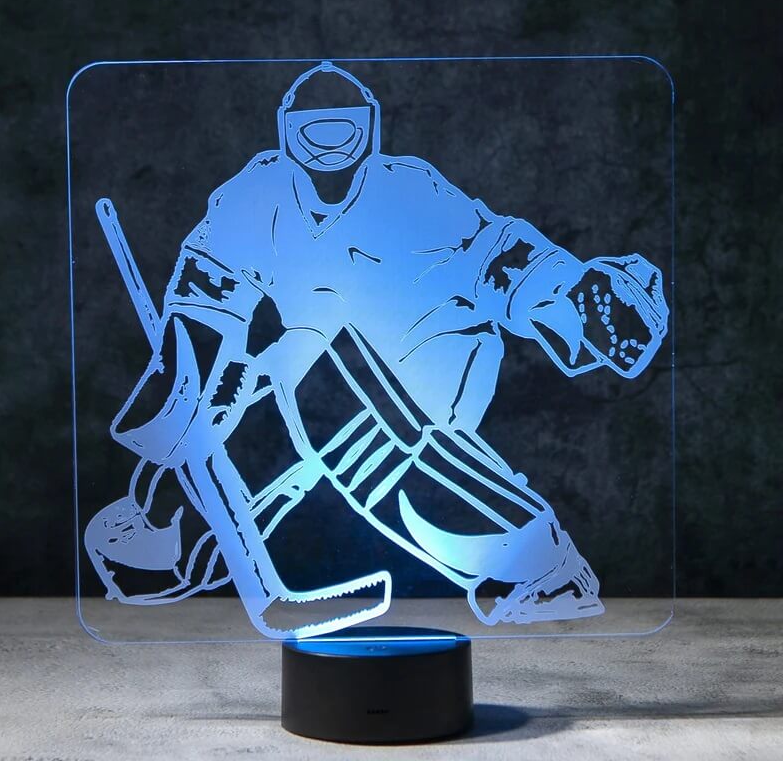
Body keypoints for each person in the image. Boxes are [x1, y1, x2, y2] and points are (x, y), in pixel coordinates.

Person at [85, 62, 669, 638]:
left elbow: (496, 255)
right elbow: (206, 299)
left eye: (344, 130)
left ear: (371, 130)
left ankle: (540, 565)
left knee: (356, 421)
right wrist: (194, 393)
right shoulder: (253, 197)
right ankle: (166, 543)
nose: (329, 153)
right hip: (312, 361)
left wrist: (567, 297)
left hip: (437, 353)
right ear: (287, 134)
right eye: (314, 132)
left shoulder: (409, 191)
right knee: (247, 425)